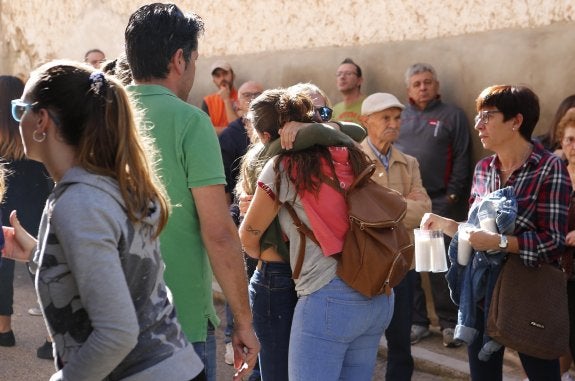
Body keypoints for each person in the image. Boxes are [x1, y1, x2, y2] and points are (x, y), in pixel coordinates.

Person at [3, 61, 206, 380]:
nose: (18, 120)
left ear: (41, 120)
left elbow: (117, 333)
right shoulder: (103, 184)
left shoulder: (80, 202)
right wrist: (40, 255)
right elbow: (123, 270)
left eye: (20, 110)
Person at [124, 4, 259, 381]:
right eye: (196, 59)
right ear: (179, 59)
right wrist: (242, 323)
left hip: (107, 314)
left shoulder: (99, 115)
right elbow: (218, 232)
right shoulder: (191, 120)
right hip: (176, 318)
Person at [240, 88, 393, 381]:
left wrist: (264, 256)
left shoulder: (282, 165)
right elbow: (355, 132)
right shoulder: (348, 152)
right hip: (377, 290)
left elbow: (248, 236)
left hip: (328, 296)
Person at [421, 84, 571, 381]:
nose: (479, 124)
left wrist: (501, 242)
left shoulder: (549, 167)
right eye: (479, 117)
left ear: (516, 122)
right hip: (480, 291)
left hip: (528, 293)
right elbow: (476, 233)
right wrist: (446, 224)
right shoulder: (483, 169)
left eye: (488, 116)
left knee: (542, 374)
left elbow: (553, 243)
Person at [394, 62, 472, 347]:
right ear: (408, 89)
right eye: (417, 84)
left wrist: (451, 197)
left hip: (441, 202)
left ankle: (449, 324)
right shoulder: (401, 117)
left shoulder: (453, 116)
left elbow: (463, 158)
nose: (423, 87)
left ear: (437, 85)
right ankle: (418, 322)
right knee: (412, 268)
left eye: (428, 82)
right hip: (409, 204)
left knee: (441, 268)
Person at [359, 92, 432, 381]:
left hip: (402, 264)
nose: (393, 123)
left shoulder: (409, 163)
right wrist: (403, 200)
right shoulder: (353, 160)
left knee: (401, 342)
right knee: (362, 341)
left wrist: (386, 204)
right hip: (365, 266)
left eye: (397, 117)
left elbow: (425, 212)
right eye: (385, 118)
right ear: (366, 122)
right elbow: (363, 213)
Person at [0, 75, 54, 358]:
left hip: (3, 208)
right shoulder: (34, 133)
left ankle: (4, 330)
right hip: (37, 207)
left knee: (1, 268)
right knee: (45, 269)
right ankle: (51, 337)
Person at [218, 80, 263, 369]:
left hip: (262, 224)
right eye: (248, 95)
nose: (254, 98)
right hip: (238, 219)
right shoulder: (231, 136)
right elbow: (222, 182)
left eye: (259, 95)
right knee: (238, 279)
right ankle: (229, 337)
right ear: (237, 104)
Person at [555, 108, 575, 381]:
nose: (574, 146)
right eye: (570, 139)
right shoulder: (555, 175)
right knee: (559, 330)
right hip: (557, 267)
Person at [201, 60, 239, 134]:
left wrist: (226, 100)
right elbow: (205, 129)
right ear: (214, 81)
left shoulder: (242, 97)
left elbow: (238, 129)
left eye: (225, 74)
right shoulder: (208, 101)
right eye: (218, 76)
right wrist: (229, 130)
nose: (222, 78)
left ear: (233, 76)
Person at [332, 57, 365, 124]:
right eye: (339, 74)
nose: (342, 77)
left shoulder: (368, 105)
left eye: (348, 73)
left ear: (359, 80)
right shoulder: (334, 110)